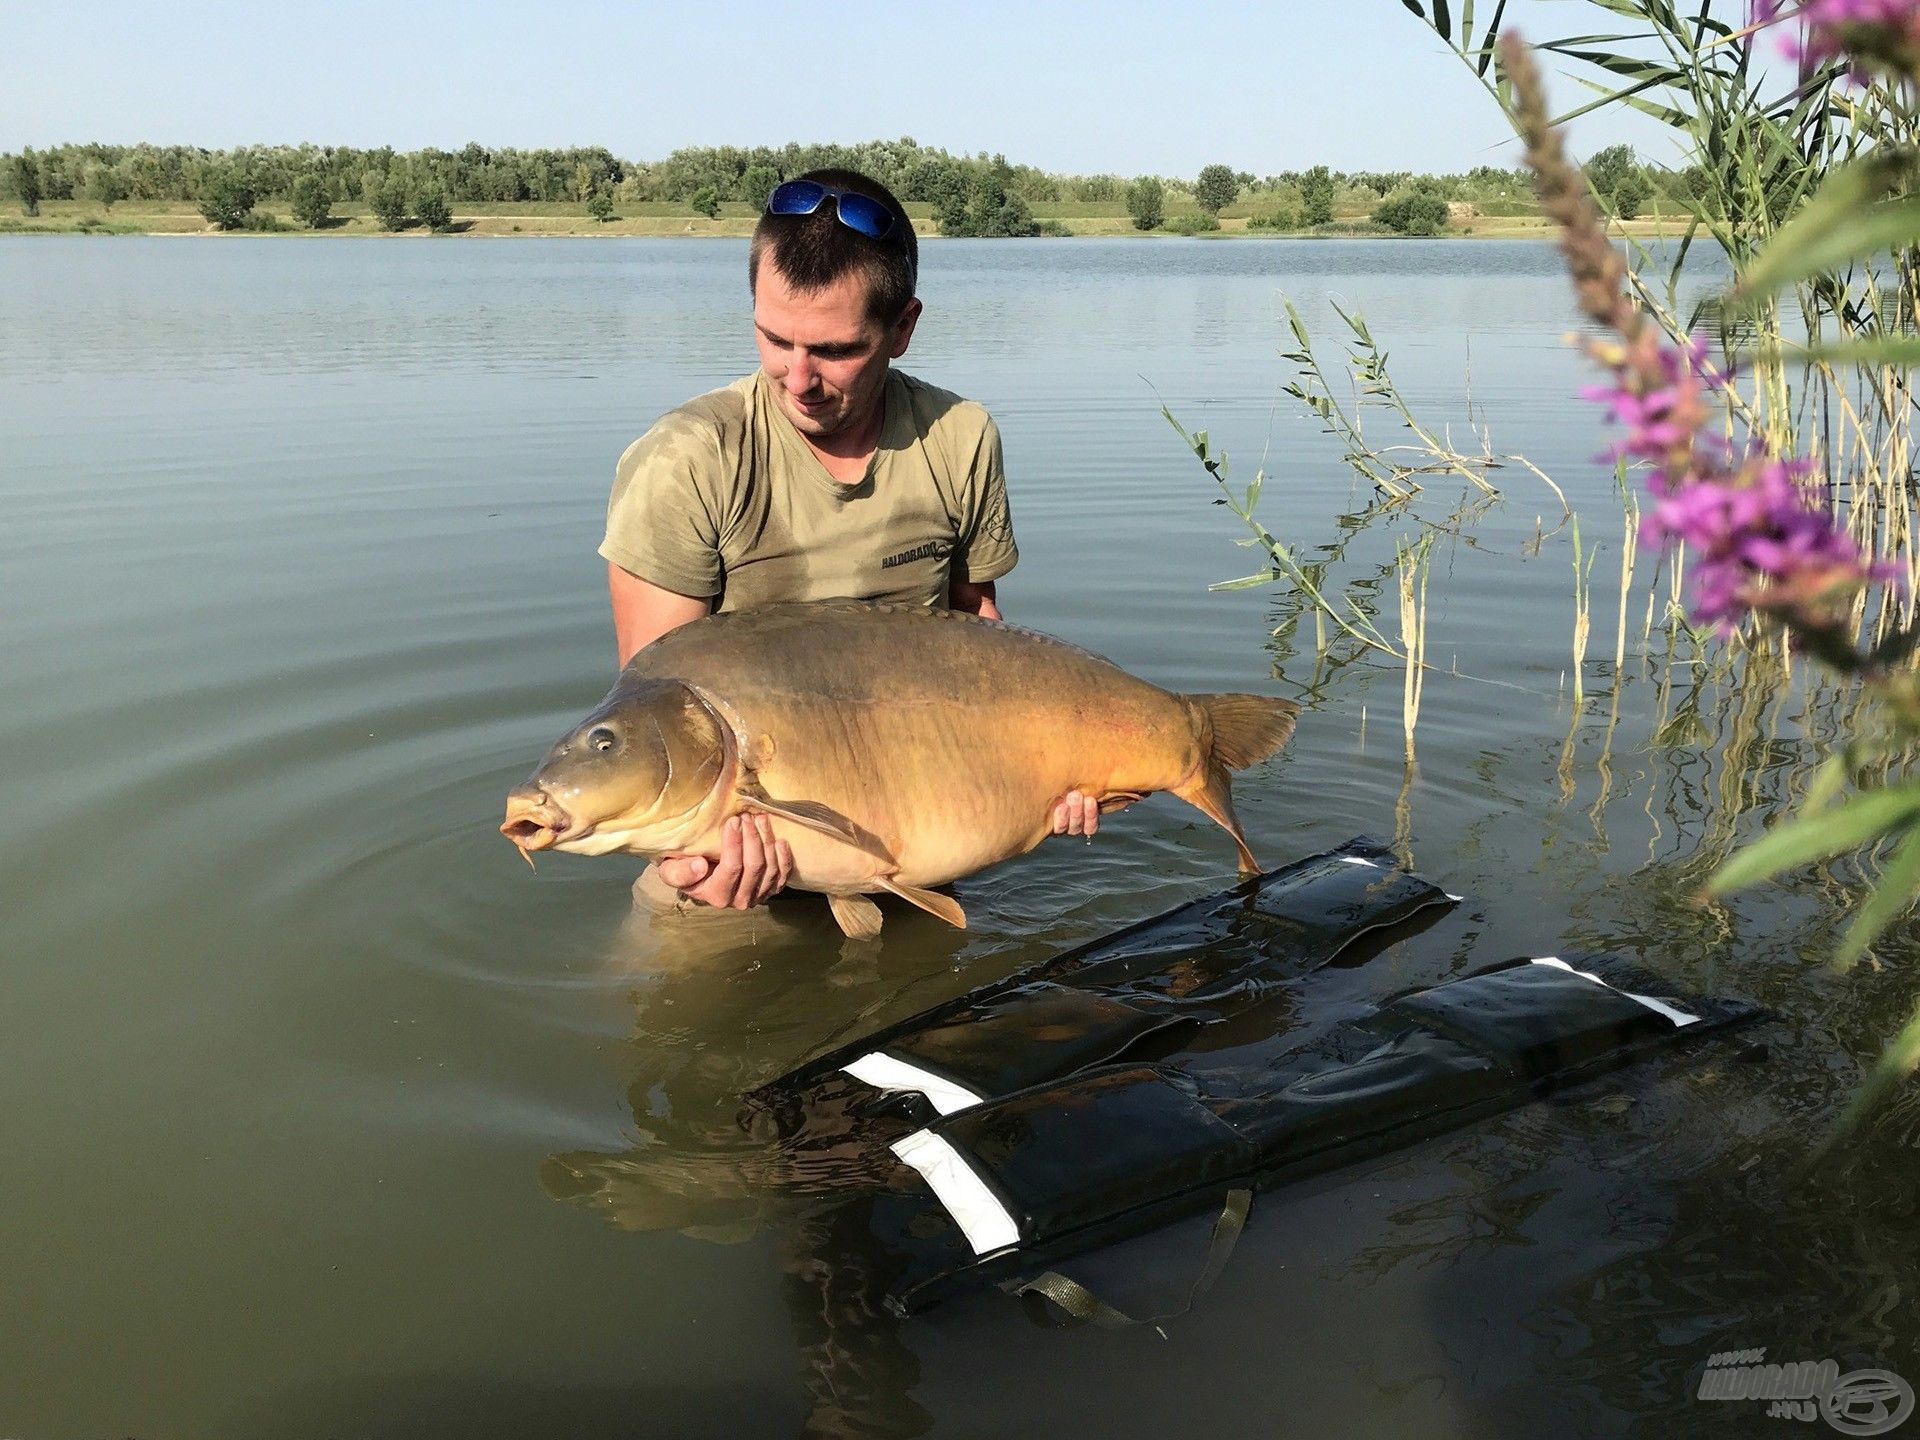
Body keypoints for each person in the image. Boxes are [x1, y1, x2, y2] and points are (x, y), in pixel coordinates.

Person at [601, 167, 1104, 915]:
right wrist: (699, 865)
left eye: (835, 351)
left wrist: (1054, 773)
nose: (798, 378)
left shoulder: (959, 438)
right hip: (735, 869)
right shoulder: (690, 461)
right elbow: (657, 713)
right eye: (776, 339)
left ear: (902, 328)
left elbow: (984, 643)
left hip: (924, 839)